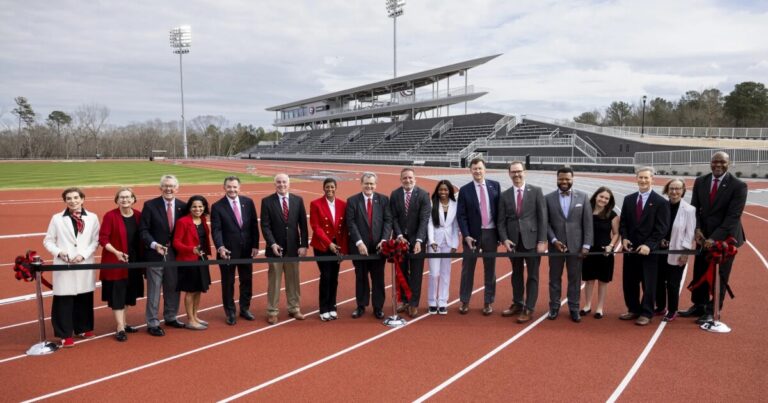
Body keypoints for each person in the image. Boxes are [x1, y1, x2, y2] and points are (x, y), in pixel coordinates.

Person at [679, 151, 747, 324]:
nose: (718, 165)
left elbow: (733, 216)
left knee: (719, 276)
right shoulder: (700, 181)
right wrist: (697, 229)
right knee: (700, 271)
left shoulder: (738, 186)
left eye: (722, 162)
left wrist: (714, 238)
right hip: (703, 236)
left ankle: (712, 310)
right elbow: (694, 209)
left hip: (725, 240)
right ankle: (699, 305)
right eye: (715, 162)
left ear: (728, 164)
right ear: (710, 163)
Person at [43, 187, 100, 348]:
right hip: (64, 264)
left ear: (82, 199)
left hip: (84, 262)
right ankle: (64, 334)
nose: (73, 201)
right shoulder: (57, 218)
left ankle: (84, 328)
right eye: (69, 198)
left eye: (76, 198)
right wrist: (59, 253)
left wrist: (83, 255)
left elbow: (95, 241)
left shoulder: (93, 217)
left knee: (84, 296)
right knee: (64, 299)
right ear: (65, 201)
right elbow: (48, 241)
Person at [619, 167, 670, 326]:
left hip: (650, 251)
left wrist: (649, 245)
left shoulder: (661, 202)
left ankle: (647, 312)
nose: (643, 180)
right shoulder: (628, 199)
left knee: (649, 284)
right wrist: (624, 238)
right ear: (636, 179)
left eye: (646, 178)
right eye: (640, 177)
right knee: (630, 281)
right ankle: (633, 309)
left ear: (652, 179)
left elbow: (662, 228)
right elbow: (623, 223)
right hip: (630, 249)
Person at [497, 161, 547, 323]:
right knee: (516, 274)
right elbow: (500, 221)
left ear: (524, 172)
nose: (516, 175)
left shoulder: (536, 191)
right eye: (513, 172)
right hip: (513, 243)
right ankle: (518, 303)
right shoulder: (504, 195)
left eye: (519, 171)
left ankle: (529, 308)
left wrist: (542, 240)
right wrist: (504, 239)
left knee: (533, 276)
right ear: (509, 174)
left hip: (532, 241)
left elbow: (543, 218)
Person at [139, 175, 187, 336]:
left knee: (173, 286)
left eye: (172, 186)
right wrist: (154, 245)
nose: (168, 189)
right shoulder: (150, 205)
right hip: (155, 253)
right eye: (165, 186)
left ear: (177, 188)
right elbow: (143, 230)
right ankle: (152, 322)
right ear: (160, 188)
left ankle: (171, 316)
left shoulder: (183, 207)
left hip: (175, 254)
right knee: (154, 289)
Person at [544, 167, 592, 322]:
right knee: (554, 278)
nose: (564, 182)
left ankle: (574, 308)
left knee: (575, 279)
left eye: (567, 179)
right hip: (555, 246)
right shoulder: (548, 198)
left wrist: (586, 245)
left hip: (576, 247)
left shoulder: (583, 197)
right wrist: (553, 240)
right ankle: (554, 307)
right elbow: (546, 223)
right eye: (561, 179)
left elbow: (588, 223)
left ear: (572, 179)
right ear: (557, 179)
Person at [260, 173, 309, 325]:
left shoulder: (298, 200)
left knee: (293, 281)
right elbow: (265, 226)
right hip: (275, 250)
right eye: (279, 182)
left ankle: (294, 308)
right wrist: (272, 243)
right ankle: (272, 311)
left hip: (293, 249)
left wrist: (303, 245)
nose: (281, 185)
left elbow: (303, 224)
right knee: (274, 282)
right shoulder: (267, 201)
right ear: (274, 184)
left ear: (289, 183)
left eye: (284, 182)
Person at [211, 176, 259, 326]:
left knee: (246, 280)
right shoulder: (217, 206)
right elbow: (216, 230)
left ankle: (244, 309)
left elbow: (253, 225)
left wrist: (255, 245)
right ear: (224, 187)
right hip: (227, 251)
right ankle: (230, 312)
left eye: (234, 187)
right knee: (228, 282)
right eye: (229, 187)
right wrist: (220, 247)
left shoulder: (248, 202)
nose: (232, 189)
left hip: (246, 250)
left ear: (239, 187)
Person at [98, 187, 144, 342]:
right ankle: (120, 327)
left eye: (128, 197)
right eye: (122, 197)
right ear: (117, 200)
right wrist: (116, 252)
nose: (125, 200)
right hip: (115, 262)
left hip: (133, 261)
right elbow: (103, 239)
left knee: (128, 294)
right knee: (117, 295)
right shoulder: (110, 216)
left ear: (133, 199)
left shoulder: (138, 215)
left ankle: (124, 323)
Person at [456, 157, 500, 315]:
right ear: (470, 170)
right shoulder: (465, 190)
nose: (477, 171)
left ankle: (488, 301)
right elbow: (461, 215)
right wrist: (466, 235)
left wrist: (500, 234)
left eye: (480, 168)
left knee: (490, 269)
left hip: (491, 233)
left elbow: (499, 211)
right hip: (472, 236)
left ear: (485, 169)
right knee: (467, 269)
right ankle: (464, 301)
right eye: (474, 169)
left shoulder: (495, 186)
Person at [346, 172, 393, 319]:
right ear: (361, 184)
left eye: (372, 183)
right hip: (359, 248)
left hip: (378, 248)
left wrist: (384, 240)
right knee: (361, 277)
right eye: (366, 183)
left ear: (375, 185)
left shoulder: (383, 200)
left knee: (378, 278)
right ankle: (361, 306)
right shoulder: (352, 201)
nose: (369, 186)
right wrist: (359, 242)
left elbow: (388, 221)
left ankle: (378, 307)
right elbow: (351, 223)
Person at [390, 167, 431, 318]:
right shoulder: (395, 194)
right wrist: (399, 235)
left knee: (416, 274)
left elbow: (424, 219)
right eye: (404, 178)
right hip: (400, 240)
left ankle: (414, 303)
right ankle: (405, 300)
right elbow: (393, 217)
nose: (407, 180)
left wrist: (419, 240)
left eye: (410, 178)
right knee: (401, 272)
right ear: (401, 179)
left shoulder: (423, 195)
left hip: (417, 240)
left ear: (415, 179)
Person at [655, 179, 696, 322]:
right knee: (659, 281)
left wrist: (685, 253)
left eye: (678, 189)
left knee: (673, 283)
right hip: (659, 251)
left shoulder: (689, 210)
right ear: (667, 190)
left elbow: (690, 234)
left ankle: (672, 310)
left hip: (677, 251)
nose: (674, 191)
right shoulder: (661, 206)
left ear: (683, 190)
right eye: (671, 188)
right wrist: (660, 239)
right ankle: (660, 307)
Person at [309, 178, 348, 321]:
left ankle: (332, 306)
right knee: (326, 276)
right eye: (327, 187)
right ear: (323, 188)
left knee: (334, 277)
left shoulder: (343, 204)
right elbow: (316, 227)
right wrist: (328, 243)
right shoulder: (316, 204)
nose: (330, 189)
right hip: (322, 245)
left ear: (336, 188)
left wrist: (342, 248)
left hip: (337, 246)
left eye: (332, 187)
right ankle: (323, 308)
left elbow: (344, 229)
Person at [173, 195, 212, 330]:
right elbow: (176, 242)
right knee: (190, 291)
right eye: (194, 206)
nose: (198, 209)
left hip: (201, 259)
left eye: (200, 206)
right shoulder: (183, 222)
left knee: (199, 289)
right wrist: (191, 249)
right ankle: (190, 320)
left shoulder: (203, 220)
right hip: (188, 261)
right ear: (189, 208)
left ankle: (195, 316)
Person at [581, 187, 620, 319]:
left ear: (609, 201)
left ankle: (599, 308)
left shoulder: (612, 214)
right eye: (601, 196)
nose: (603, 200)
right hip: (589, 249)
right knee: (589, 280)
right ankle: (587, 305)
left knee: (603, 281)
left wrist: (611, 246)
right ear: (596, 196)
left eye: (606, 198)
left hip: (605, 251)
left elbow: (616, 233)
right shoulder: (586, 210)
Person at [426, 180, 459, 315]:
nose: (443, 192)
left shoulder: (455, 205)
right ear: (437, 191)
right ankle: (432, 301)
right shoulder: (432, 203)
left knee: (446, 273)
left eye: (446, 190)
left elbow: (455, 226)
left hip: (448, 242)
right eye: (441, 190)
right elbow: (429, 223)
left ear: (450, 191)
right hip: (435, 243)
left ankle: (443, 301)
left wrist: (455, 244)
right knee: (434, 273)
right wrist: (431, 240)